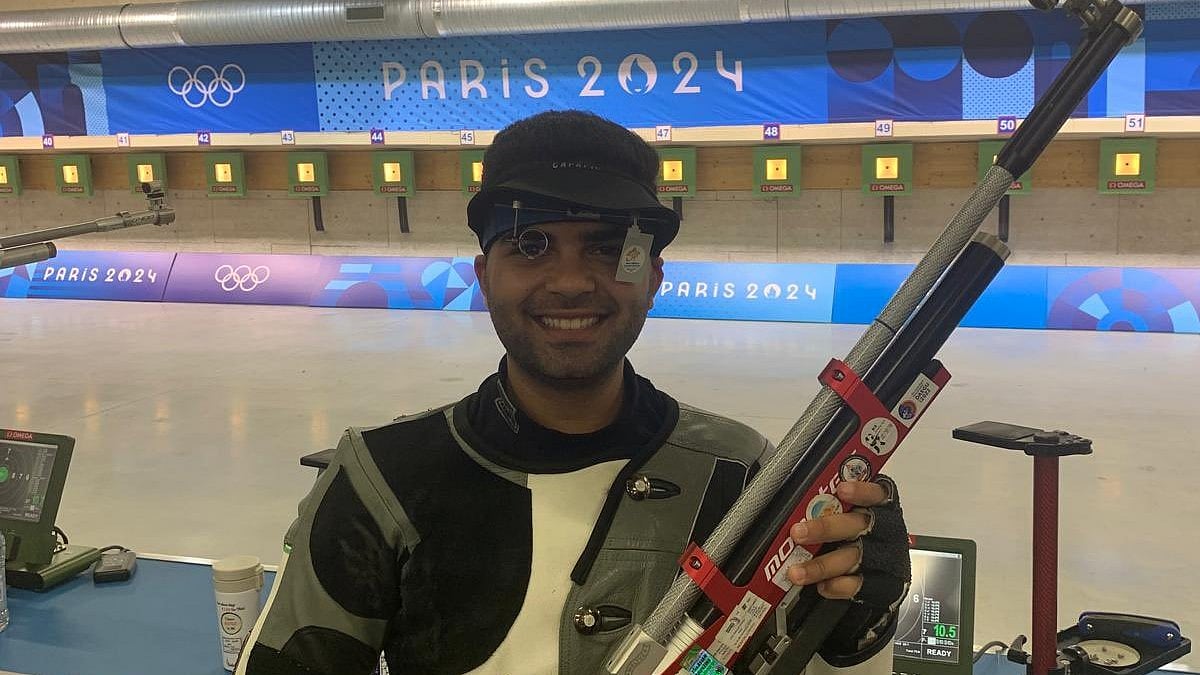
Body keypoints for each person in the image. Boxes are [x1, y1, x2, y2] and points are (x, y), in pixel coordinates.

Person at [238, 110, 911, 675]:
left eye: (608, 247)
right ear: (483, 273)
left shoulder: (746, 472)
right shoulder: (379, 475)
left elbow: (798, 652)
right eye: (530, 245)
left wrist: (856, 618)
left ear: (652, 275)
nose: (568, 281)